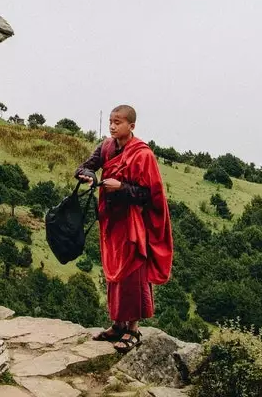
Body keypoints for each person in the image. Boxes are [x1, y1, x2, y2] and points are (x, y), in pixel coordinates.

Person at [76, 105, 173, 353]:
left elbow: (147, 194)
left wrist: (120, 187)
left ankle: (133, 329)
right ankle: (117, 324)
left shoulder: (143, 155)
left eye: (117, 122)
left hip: (133, 223)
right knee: (114, 273)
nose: (112, 126)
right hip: (112, 221)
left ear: (131, 126)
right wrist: (87, 175)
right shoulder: (107, 147)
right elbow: (85, 166)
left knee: (132, 274)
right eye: (110, 121)